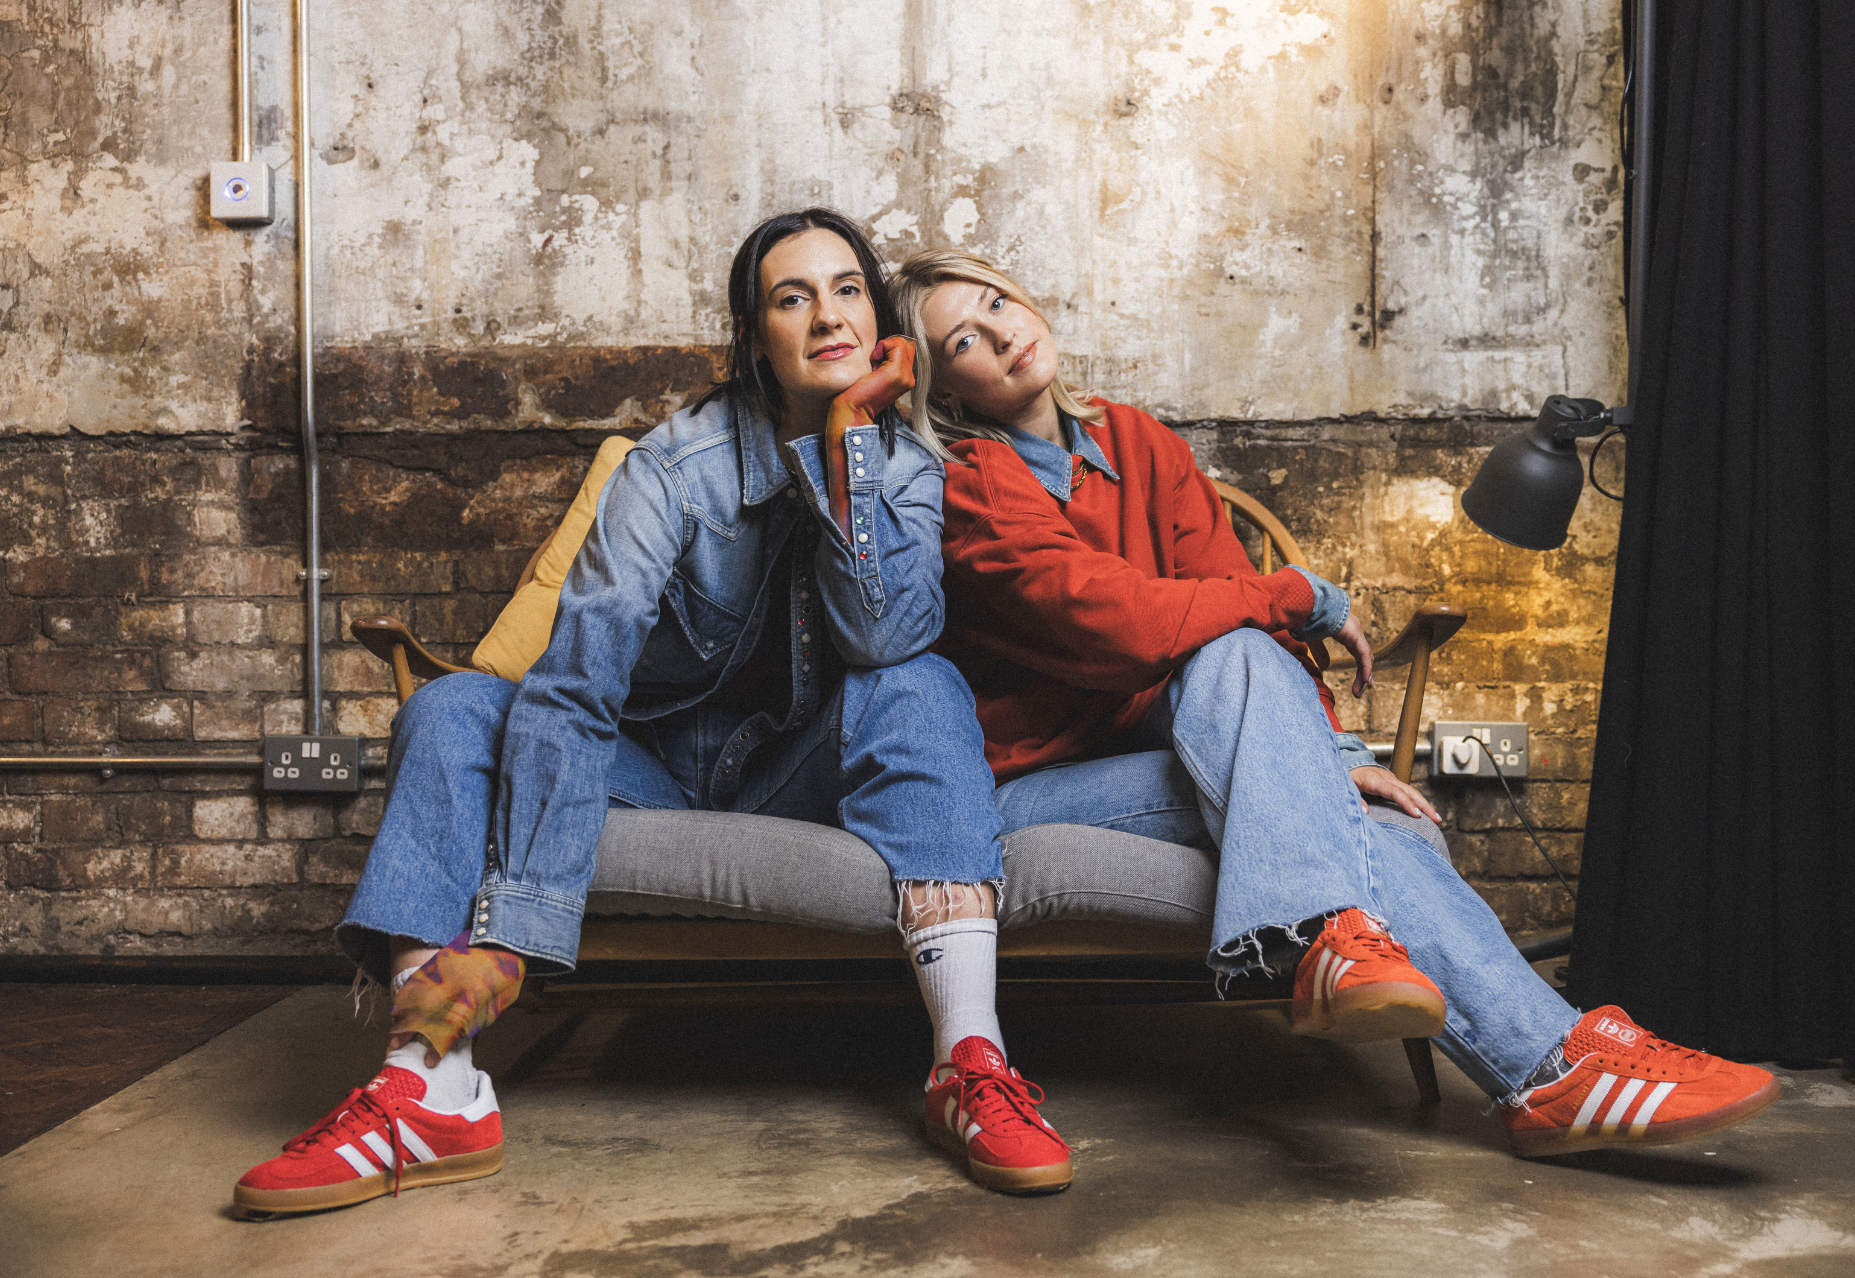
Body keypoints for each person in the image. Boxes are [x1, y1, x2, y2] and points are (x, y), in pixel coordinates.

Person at [233, 211, 1072, 1215]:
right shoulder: (671, 467)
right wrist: (517, 923)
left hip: (805, 777)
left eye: (847, 289)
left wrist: (848, 448)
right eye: (792, 297)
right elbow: (578, 675)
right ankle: (429, 1085)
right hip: (655, 771)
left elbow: (885, 635)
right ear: (753, 336)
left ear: (879, 322)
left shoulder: (905, 463)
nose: (827, 316)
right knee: (454, 706)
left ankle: (969, 1065)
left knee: (921, 680)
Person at [889, 246, 1781, 1159]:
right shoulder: (965, 482)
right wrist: (1298, 595)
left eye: (997, 302)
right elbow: (1116, 625)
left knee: (1245, 653)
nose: (999, 332)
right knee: (1271, 682)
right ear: (943, 389)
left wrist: (1337, 752)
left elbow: (1240, 620)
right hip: (1039, 787)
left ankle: (1379, 971)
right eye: (962, 340)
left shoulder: (1138, 441)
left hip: (1192, 745)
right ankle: (1552, 1062)